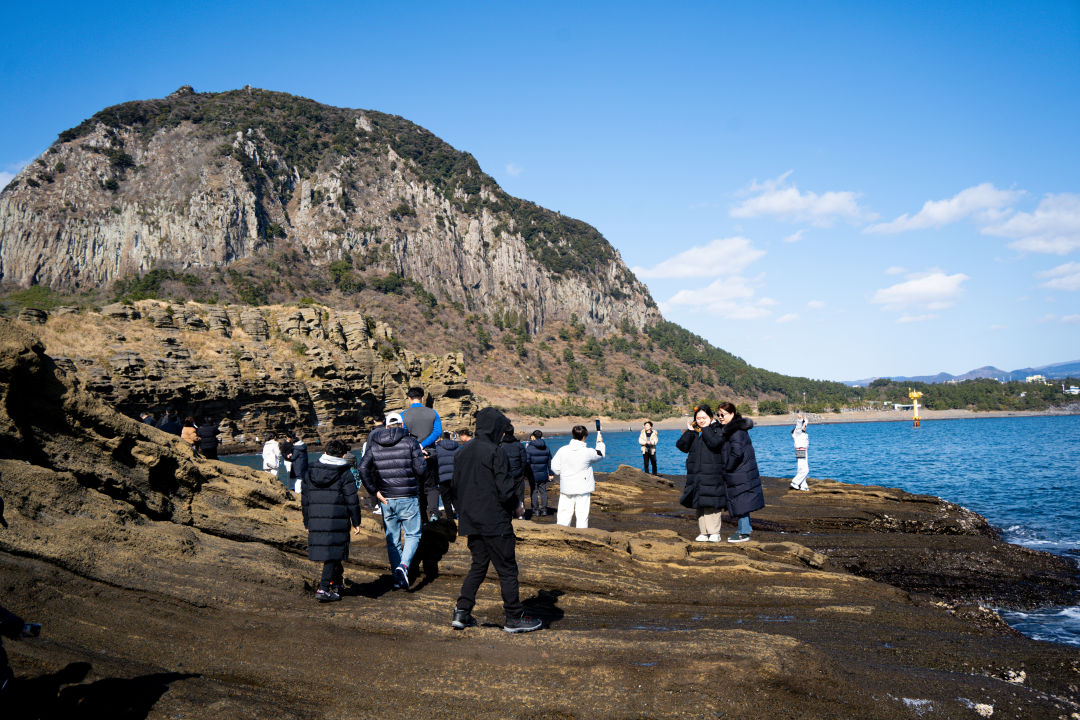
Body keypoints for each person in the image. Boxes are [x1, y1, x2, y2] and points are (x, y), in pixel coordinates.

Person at [450, 407, 542, 633]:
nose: (503, 434)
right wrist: (516, 506)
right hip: (495, 521)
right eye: (501, 429)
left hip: (471, 520)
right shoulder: (495, 451)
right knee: (507, 569)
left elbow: (454, 487)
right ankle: (514, 617)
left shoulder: (463, 451)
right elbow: (504, 489)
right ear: (495, 428)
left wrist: (462, 512)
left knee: (478, 566)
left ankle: (462, 612)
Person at [359, 411, 427, 590]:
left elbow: (362, 467)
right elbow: (421, 471)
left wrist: (374, 491)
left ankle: (397, 578)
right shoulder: (411, 442)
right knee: (413, 534)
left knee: (392, 539)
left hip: (386, 497)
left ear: (387, 426)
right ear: (402, 425)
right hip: (408, 496)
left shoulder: (375, 444)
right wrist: (421, 458)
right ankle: (403, 566)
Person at [302, 438, 362, 602]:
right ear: (343, 455)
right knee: (333, 554)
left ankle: (336, 583)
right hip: (337, 519)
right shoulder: (344, 472)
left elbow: (305, 499)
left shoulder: (310, 471)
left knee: (334, 553)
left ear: (325, 452)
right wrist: (356, 522)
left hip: (316, 518)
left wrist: (307, 521)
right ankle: (323, 588)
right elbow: (352, 500)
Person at [675, 404, 727, 542]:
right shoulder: (696, 433)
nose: (701, 420)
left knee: (712, 504)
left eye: (704, 417)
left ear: (710, 417)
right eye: (698, 418)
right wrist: (690, 432)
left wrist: (706, 429)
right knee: (699, 503)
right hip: (696, 474)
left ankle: (715, 532)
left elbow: (715, 443)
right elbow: (681, 446)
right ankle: (703, 532)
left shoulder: (718, 429)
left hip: (713, 474)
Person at [716, 402, 765, 543]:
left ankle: (743, 532)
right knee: (741, 500)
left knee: (741, 501)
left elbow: (737, 453)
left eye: (723, 414)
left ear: (732, 414)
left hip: (740, 472)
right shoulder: (732, 428)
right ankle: (744, 529)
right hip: (742, 471)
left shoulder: (735, 431)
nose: (720, 417)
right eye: (718, 414)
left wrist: (727, 468)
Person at [401, 387, 443, 522]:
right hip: (430, 454)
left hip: (412, 456)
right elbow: (437, 432)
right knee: (431, 487)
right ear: (423, 398)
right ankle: (434, 514)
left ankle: (422, 518)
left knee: (417, 488)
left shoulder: (403, 415)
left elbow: (403, 434)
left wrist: (416, 446)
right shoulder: (433, 413)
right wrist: (423, 445)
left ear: (409, 398)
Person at [550, 425, 605, 529]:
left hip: (566, 487)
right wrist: (600, 443)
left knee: (563, 515)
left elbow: (554, 467)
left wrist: (564, 473)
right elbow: (600, 454)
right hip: (583, 488)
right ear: (584, 436)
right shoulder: (588, 452)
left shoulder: (563, 450)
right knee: (582, 515)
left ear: (572, 435)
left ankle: (561, 535)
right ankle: (581, 536)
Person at [434, 430, 468, 520]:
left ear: (441, 438)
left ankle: (450, 518)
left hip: (442, 478)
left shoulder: (437, 448)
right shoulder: (457, 447)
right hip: (455, 478)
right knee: (456, 498)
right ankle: (460, 516)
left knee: (446, 500)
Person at [500, 425, 528, 518]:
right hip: (518, 473)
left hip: (505, 474)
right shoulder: (519, 445)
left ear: (504, 433)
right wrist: (522, 471)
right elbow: (524, 460)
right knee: (519, 494)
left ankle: (508, 513)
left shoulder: (501, 445)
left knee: (506, 493)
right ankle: (520, 514)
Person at [524, 430, 553, 517]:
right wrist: (551, 473)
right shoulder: (546, 448)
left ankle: (536, 510)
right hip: (543, 473)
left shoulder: (529, 448)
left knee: (534, 492)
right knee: (543, 492)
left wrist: (525, 474)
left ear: (533, 437)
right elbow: (550, 462)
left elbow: (527, 462)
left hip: (532, 474)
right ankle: (544, 510)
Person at [790, 414, 810, 491]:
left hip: (803, 451)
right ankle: (795, 483)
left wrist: (806, 421)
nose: (804, 426)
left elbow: (804, 425)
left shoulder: (802, 433)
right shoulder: (797, 432)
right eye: (803, 425)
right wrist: (800, 419)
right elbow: (799, 426)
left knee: (801, 469)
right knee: (805, 470)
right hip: (801, 451)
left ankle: (803, 485)